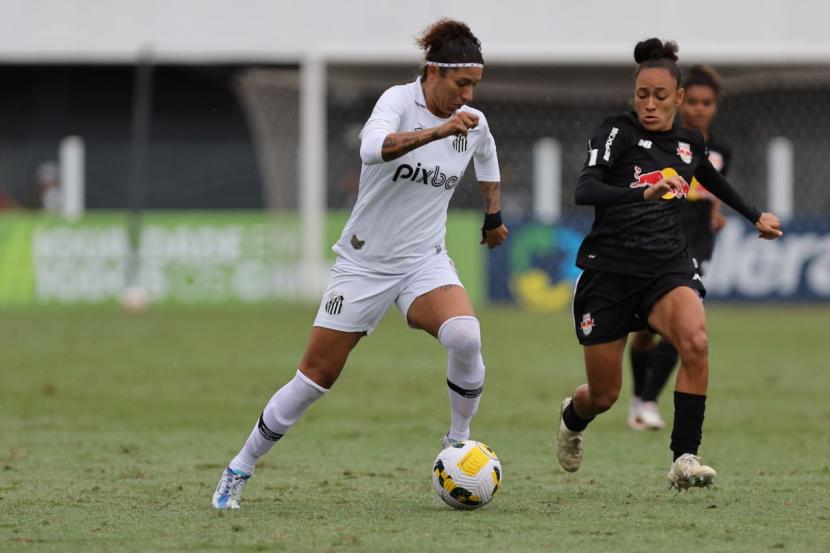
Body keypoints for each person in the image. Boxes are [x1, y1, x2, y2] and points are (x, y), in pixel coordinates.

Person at [212, 18, 509, 510]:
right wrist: (436, 132)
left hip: (423, 261)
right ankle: (238, 469)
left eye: (475, 84)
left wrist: (493, 215)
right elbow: (372, 149)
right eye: (462, 83)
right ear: (433, 71)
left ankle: (458, 440)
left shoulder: (472, 123)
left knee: (465, 336)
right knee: (314, 379)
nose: (469, 94)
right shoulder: (396, 101)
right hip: (363, 265)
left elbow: (488, 158)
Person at [556, 38, 782, 490]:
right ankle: (571, 418)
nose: (651, 104)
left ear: (678, 99)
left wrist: (755, 214)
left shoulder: (689, 141)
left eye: (661, 96)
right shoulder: (616, 132)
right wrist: (642, 192)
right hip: (609, 272)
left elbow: (711, 176)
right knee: (604, 395)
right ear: (633, 95)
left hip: (667, 266)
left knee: (695, 342)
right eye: (643, 95)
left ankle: (685, 457)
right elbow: (585, 189)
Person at [627, 65, 731, 431]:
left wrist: (717, 211)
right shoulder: (664, 143)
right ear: (682, 101)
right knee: (644, 333)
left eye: (708, 103)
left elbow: (713, 186)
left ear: (715, 106)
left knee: (684, 327)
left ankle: (649, 400)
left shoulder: (719, 150)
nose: (700, 109)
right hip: (659, 240)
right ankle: (640, 398)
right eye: (696, 101)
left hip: (696, 244)